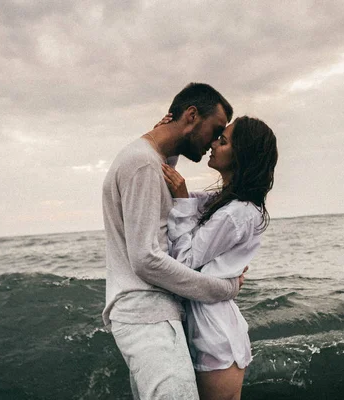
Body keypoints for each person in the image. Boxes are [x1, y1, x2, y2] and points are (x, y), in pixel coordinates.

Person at [102, 83, 247, 400]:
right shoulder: (143, 165)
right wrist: (223, 288)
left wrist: (169, 146)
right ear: (192, 115)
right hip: (149, 318)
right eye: (215, 130)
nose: (213, 142)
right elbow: (146, 259)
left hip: (147, 315)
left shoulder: (149, 161)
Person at [160, 115, 278, 400]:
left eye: (222, 141)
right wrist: (170, 140)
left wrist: (183, 199)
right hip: (215, 329)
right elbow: (179, 195)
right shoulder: (227, 203)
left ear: (241, 155)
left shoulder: (236, 213)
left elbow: (184, 261)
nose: (213, 143)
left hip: (215, 337)